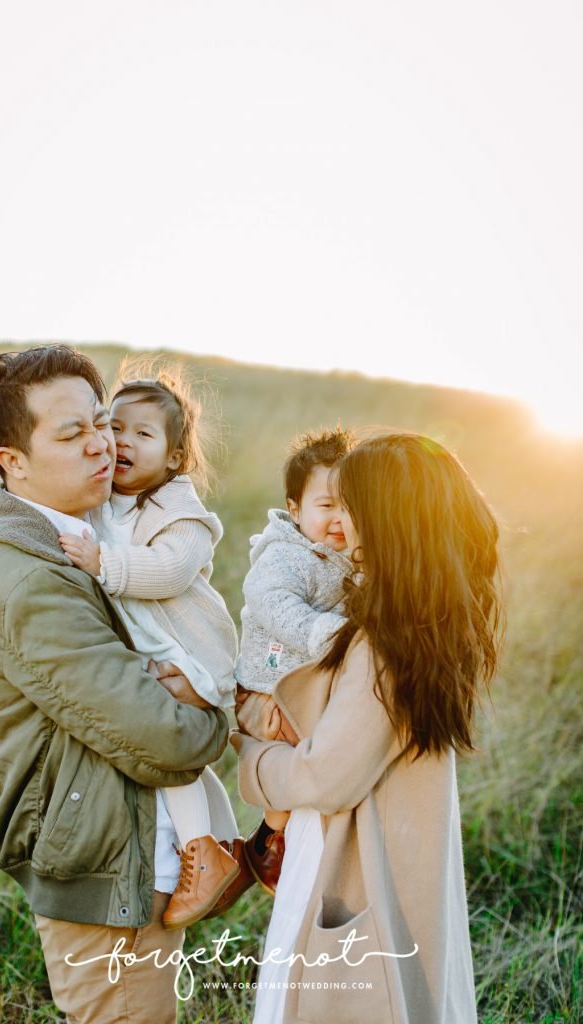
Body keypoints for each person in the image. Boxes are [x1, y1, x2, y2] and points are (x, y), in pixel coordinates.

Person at [0, 345, 230, 1024]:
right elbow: (164, 737)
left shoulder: (85, 534)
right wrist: (219, 707)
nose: (100, 445)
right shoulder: (30, 580)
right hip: (104, 870)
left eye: (102, 422)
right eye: (70, 433)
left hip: (129, 848)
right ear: (12, 461)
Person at [233, 431, 502, 1024]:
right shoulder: (427, 619)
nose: (341, 523)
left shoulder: (384, 643)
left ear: (383, 522)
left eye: (351, 506)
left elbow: (323, 776)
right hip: (405, 864)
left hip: (354, 865)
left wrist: (246, 752)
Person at [57, 360, 247, 929]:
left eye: (142, 434)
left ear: (173, 458)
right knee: (181, 755)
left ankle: (202, 854)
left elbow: (167, 572)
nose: (122, 442)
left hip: (191, 652)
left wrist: (104, 563)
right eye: (114, 427)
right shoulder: (106, 501)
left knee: (166, 754)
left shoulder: (182, 514)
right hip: (154, 652)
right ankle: (224, 844)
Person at [235, 427, 354, 894]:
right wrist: (329, 635)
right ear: (295, 509)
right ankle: (268, 840)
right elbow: (273, 605)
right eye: (326, 506)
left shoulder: (347, 558)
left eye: (350, 506)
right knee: (289, 766)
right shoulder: (285, 556)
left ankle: (284, 838)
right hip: (268, 690)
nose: (339, 519)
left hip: (300, 688)